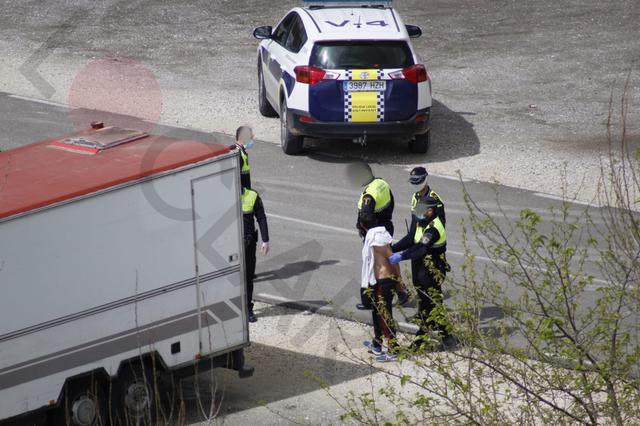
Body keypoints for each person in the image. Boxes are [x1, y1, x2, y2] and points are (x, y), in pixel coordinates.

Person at [389, 195, 455, 350]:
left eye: (421, 210)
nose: (417, 213)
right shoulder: (422, 222)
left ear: (430, 211)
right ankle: (447, 337)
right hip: (421, 269)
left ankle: (419, 342)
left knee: (428, 305)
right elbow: (411, 238)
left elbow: (420, 248)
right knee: (431, 304)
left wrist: (401, 256)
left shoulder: (433, 228)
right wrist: (392, 249)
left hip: (432, 270)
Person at [346, 162, 409, 310]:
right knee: (388, 262)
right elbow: (391, 202)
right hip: (386, 227)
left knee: (372, 266)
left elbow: (366, 217)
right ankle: (401, 291)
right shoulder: (381, 183)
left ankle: (369, 300)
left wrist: (365, 231)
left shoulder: (369, 195)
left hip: (374, 234)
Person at [360, 212, 401, 362]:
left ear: (362, 226)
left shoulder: (378, 239)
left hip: (385, 281)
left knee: (384, 314)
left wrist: (399, 281)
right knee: (377, 312)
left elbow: (393, 258)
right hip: (377, 281)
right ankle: (377, 343)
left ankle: (394, 347)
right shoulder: (374, 236)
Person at [241, 184, 269, 322]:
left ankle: (248, 309)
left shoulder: (252, 196)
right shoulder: (224, 197)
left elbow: (261, 218)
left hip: (248, 244)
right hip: (229, 245)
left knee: (247, 277)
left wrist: (265, 240)